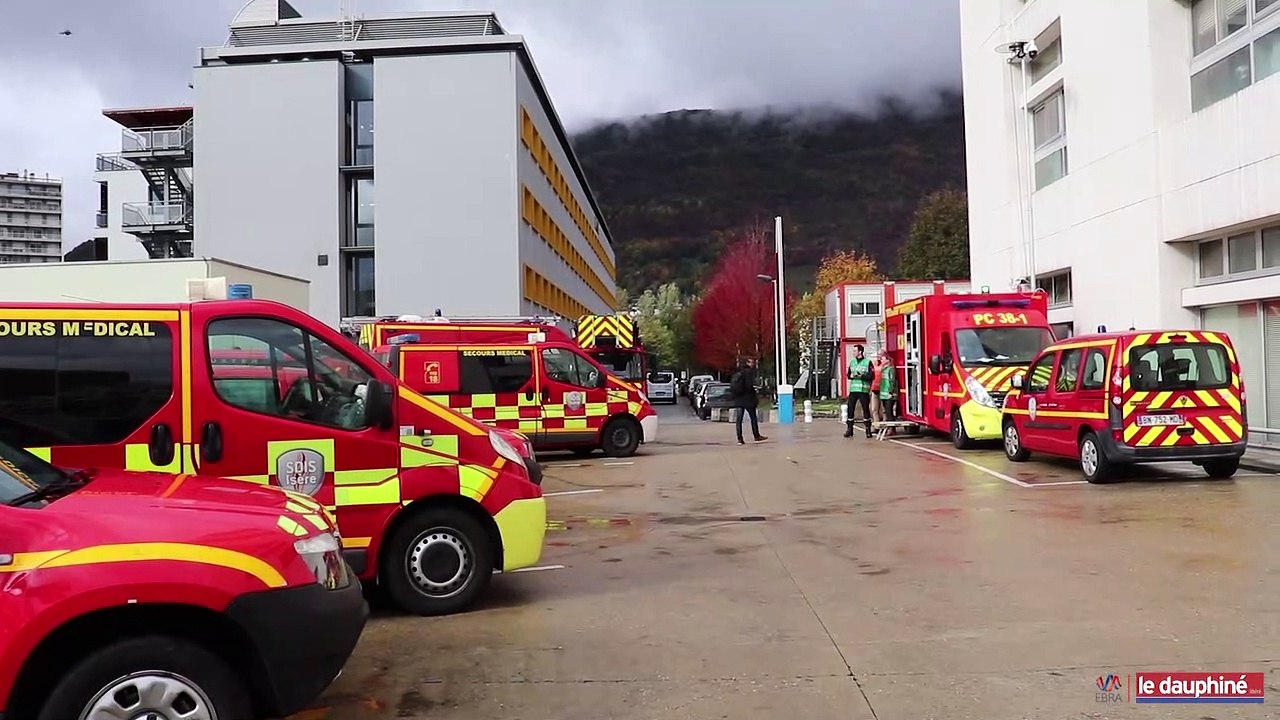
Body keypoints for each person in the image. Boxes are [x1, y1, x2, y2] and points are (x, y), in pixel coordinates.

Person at [729, 357, 768, 445]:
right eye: (752, 362)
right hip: (747, 398)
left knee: (739, 419)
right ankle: (756, 436)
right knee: (753, 417)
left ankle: (740, 439)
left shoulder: (737, 371)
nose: (753, 364)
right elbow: (749, 385)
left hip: (738, 399)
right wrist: (754, 392)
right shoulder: (748, 372)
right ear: (747, 363)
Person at [844, 344, 873, 438]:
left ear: (860, 352)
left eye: (855, 351)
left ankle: (868, 430)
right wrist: (851, 376)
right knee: (850, 408)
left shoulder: (867, 362)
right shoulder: (852, 362)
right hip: (853, 389)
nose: (853, 353)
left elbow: (871, 376)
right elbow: (848, 375)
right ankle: (849, 429)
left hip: (863, 390)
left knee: (865, 409)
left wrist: (862, 376)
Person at [878, 356, 899, 435]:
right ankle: (889, 427)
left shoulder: (891, 369)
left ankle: (892, 428)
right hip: (883, 394)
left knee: (889, 412)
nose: (881, 360)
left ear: (887, 360)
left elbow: (892, 381)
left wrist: (890, 392)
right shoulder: (884, 369)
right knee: (886, 412)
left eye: (883, 359)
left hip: (889, 395)